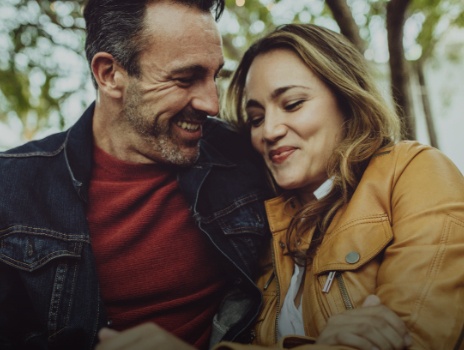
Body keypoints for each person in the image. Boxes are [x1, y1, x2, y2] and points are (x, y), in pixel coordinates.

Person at [0, 0, 273, 349]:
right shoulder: (11, 188)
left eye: (214, 76)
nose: (212, 104)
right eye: (186, 78)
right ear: (109, 74)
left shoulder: (243, 153)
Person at [216, 23, 464, 350]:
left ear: (345, 98)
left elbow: (414, 337)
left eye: (292, 104)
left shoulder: (413, 172)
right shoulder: (265, 226)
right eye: (257, 118)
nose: (269, 131)